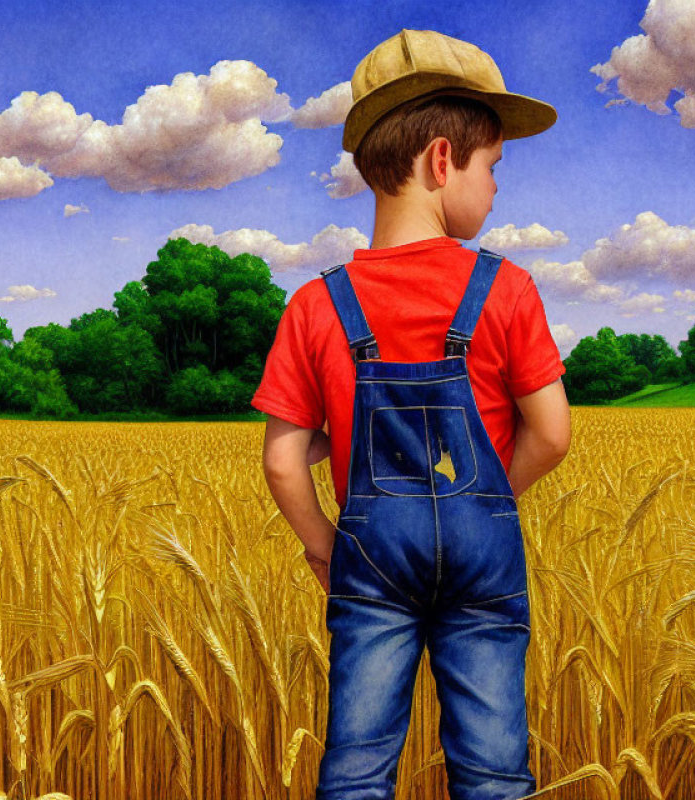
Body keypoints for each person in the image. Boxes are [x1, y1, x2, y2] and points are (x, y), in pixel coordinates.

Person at [252, 28, 572, 800]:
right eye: (491, 167)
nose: (496, 187)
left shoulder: (315, 305)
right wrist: (485, 504)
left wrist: (331, 550)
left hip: (371, 559)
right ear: (440, 160)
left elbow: (282, 459)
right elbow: (554, 433)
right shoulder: (508, 289)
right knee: (494, 770)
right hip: (483, 555)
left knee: (358, 767)